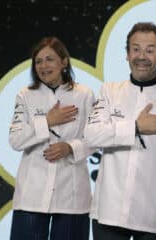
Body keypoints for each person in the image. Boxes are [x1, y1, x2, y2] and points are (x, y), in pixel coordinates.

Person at [84, 22, 156, 240]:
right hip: (108, 213)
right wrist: (136, 127)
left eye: (150, 50)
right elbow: (91, 135)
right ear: (127, 54)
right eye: (135, 49)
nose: (141, 56)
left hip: (154, 217)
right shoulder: (109, 92)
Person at [8, 37, 95, 240]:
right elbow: (15, 140)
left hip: (72, 197)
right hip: (32, 195)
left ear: (64, 62)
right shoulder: (26, 95)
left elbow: (96, 139)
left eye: (49, 59)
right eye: (38, 61)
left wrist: (70, 147)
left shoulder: (84, 94)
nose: (43, 66)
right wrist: (46, 121)